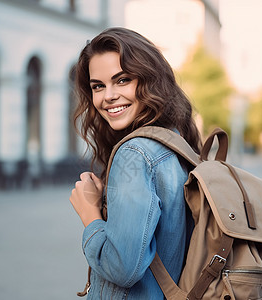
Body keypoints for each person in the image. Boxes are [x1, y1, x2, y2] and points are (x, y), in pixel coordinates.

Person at [69, 27, 201, 299]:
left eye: (122, 80)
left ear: (150, 81)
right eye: (98, 86)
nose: (108, 96)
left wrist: (90, 214)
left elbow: (122, 269)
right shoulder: (175, 143)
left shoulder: (135, 154)